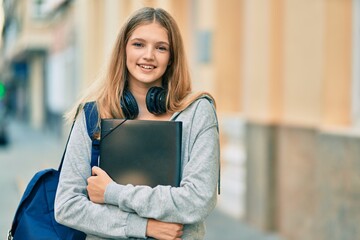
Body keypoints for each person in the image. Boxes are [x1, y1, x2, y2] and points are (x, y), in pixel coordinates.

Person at [55, 7, 220, 240]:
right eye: (138, 44)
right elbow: (67, 205)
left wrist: (113, 192)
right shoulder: (93, 115)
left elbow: (197, 201)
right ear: (123, 50)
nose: (149, 55)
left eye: (161, 47)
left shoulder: (196, 111)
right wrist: (143, 227)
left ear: (172, 57)